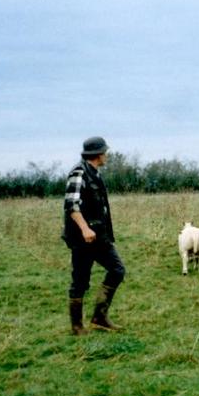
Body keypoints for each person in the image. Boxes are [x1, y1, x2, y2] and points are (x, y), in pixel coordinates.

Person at [62, 137, 126, 335]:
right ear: (98, 154)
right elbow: (71, 205)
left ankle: (99, 318)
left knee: (117, 270)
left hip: (99, 237)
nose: (106, 155)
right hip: (83, 239)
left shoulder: (95, 174)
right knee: (80, 280)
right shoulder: (78, 173)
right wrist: (84, 229)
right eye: (105, 152)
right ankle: (77, 326)